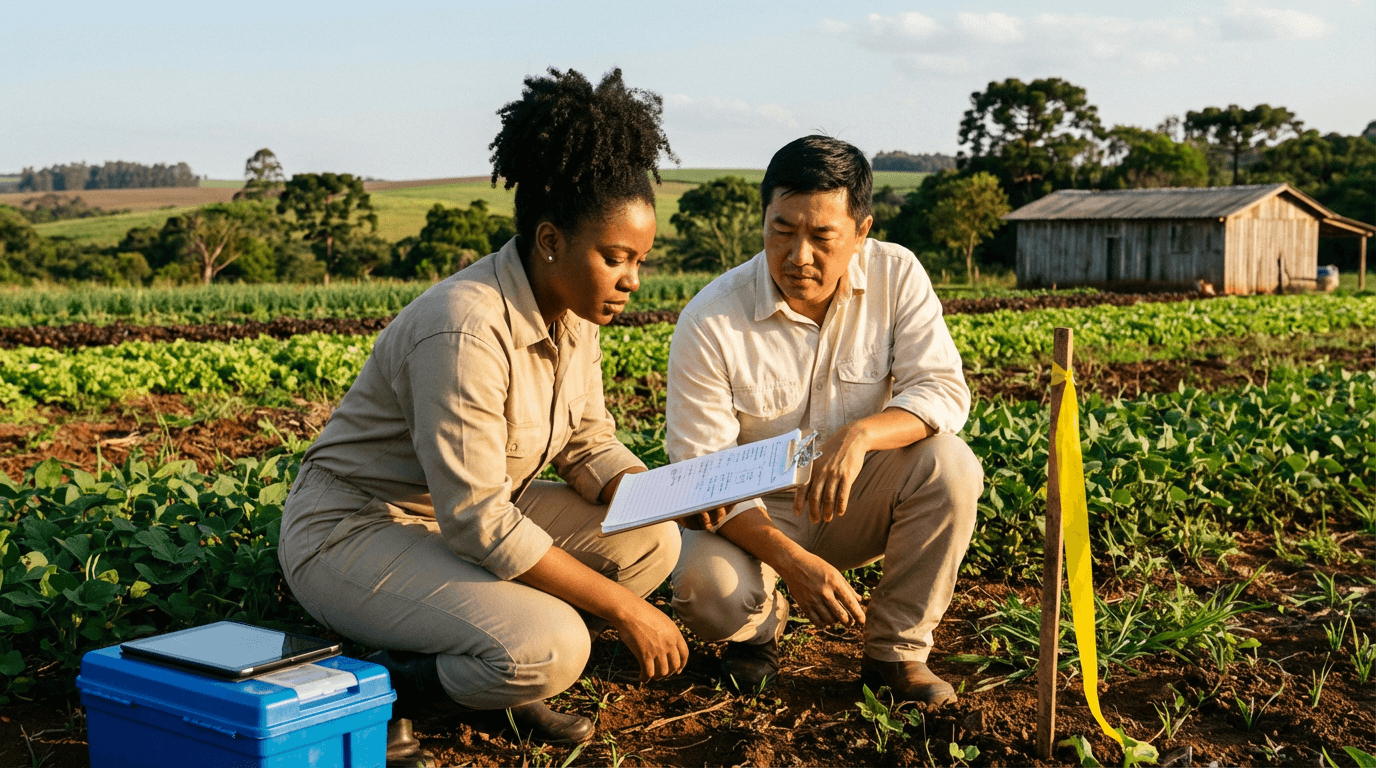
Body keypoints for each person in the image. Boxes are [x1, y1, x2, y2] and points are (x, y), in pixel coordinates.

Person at [277, 68, 686, 766]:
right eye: (615, 258)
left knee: (653, 542)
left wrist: (658, 494)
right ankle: (388, 689)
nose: (632, 280)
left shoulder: (575, 313)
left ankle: (487, 659)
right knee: (554, 644)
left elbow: (589, 441)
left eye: (640, 261)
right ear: (551, 240)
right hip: (359, 529)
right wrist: (623, 609)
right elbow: (477, 520)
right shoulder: (463, 328)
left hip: (460, 524)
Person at [665, 135, 983, 705]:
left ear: (861, 232)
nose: (798, 255)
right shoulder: (711, 318)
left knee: (951, 467)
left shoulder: (897, 276)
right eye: (781, 230)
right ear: (763, 218)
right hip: (755, 518)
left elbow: (940, 389)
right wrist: (792, 564)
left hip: (852, 499)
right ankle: (760, 630)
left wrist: (859, 435)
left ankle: (896, 656)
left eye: (821, 237)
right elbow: (703, 472)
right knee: (701, 588)